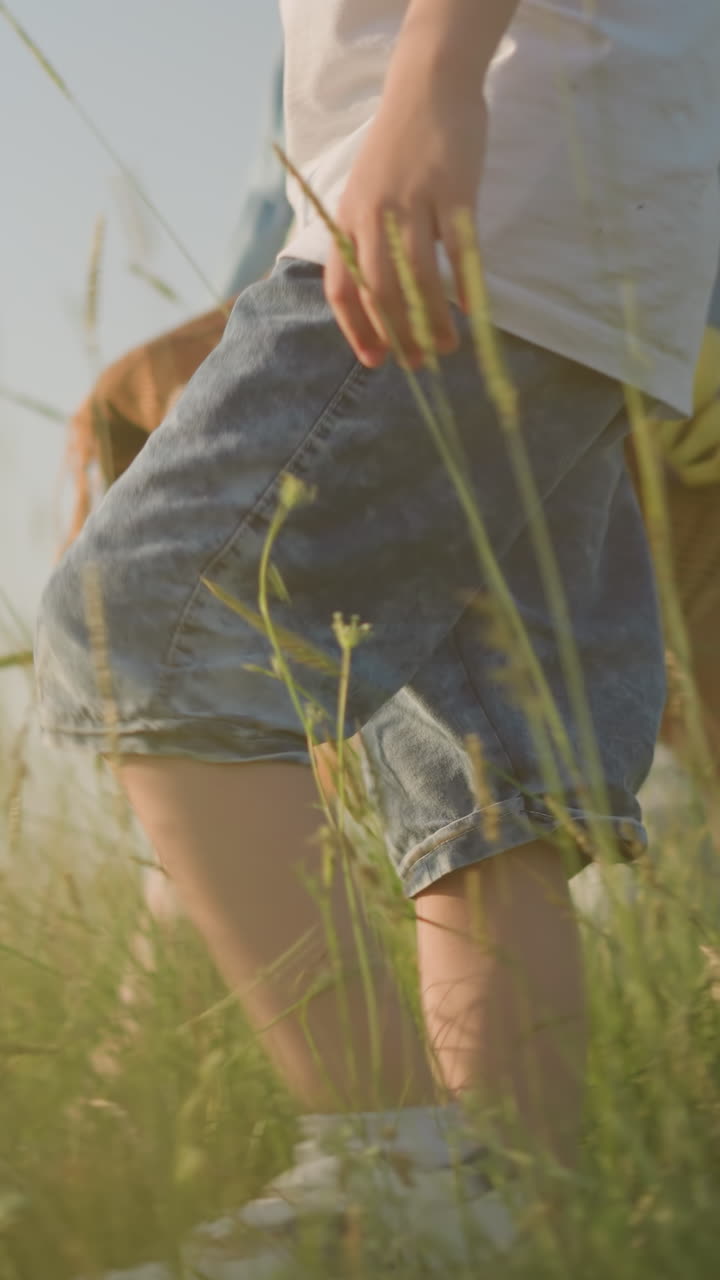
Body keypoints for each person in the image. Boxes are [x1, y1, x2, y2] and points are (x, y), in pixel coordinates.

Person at [36, 0, 720, 1266]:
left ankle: (400, 1179)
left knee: (145, 622)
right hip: (569, 210)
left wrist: (436, 74)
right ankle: (509, 1235)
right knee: (479, 776)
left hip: (485, 188)